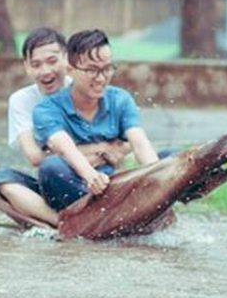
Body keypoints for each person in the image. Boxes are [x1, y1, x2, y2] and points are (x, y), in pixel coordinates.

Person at [0, 27, 130, 229]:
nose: (45, 71)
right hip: (55, 182)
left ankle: (95, 215)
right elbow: (35, 157)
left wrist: (103, 156)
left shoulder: (85, 85)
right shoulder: (21, 100)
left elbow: (123, 144)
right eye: (36, 64)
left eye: (52, 61)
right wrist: (100, 151)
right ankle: (62, 222)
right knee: (3, 178)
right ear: (27, 67)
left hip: (101, 179)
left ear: (68, 60)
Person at [32, 30, 165, 213]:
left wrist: (158, 177)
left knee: (172, 158)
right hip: (78, 186)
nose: (101, 78)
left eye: (107, 69)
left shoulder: (120, 99)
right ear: (70, 70)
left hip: (117, 181)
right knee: (50, 167)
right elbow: (64, 147)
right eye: (92, 70)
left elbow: (139, 142)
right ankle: (107, 210)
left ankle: (141, 204)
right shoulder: (46, 109)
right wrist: (91, 176)